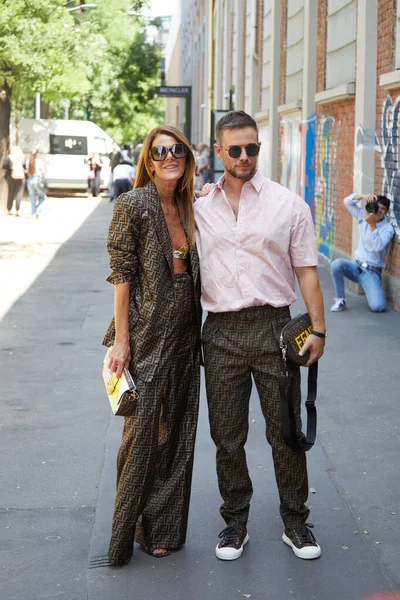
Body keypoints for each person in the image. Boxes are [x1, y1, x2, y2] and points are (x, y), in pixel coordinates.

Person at [194, 110, 326, 561]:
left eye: (253, 148)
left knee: (285, 434)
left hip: (275, 327)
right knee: (226, 435)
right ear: (219, 151)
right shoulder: (200, 208)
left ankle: (296, 522)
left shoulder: (288, 205)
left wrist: (319, 329)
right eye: (236, 149)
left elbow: (307, 272)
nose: (246, 156)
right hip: (221, 332)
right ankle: (235, 523)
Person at [103, 125, 201, 566]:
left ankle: (161, 529)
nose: (169, 157)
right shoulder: (134, 204)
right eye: (160, 151)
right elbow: (122, 274)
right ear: (148, 158)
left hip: (186, 337)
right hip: (145, 337)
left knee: (177, 436)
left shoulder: (190, 205)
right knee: (140, 439)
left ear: (188, 156)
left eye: (177, 149)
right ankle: (123, 537)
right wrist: (121, 341)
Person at [330, 193, 394, 313]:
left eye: (383, 209)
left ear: (386, 212)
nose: (379, 210)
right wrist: (362, 196)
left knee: (378, 306)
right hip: (356, 266)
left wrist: (372, 225)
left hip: (372, 272)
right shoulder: (363, 217)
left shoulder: (388, 229)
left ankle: (371, 287)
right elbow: (347, 202)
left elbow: (377, 247)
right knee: (336, 264)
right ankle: (340, 299)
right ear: (373, 206)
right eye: (378, 207)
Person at [3, 146, 25, 216]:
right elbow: (25, 166)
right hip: (21, 177)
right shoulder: (22, 157)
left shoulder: (9, 157)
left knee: (11, 193)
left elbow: (4, 166)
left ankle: (9, 210)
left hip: (11, 177)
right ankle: (17, 210)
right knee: (19, 193)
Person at [26, 149, 46, 218]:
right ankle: (36, 208)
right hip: (37, 180)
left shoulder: (28, 161)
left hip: (29, 180)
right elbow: (43, 172)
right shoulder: (39, 162)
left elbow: (27, 171)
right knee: (42, 196)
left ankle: (33, 213)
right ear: (37, 154)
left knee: (32, 198)